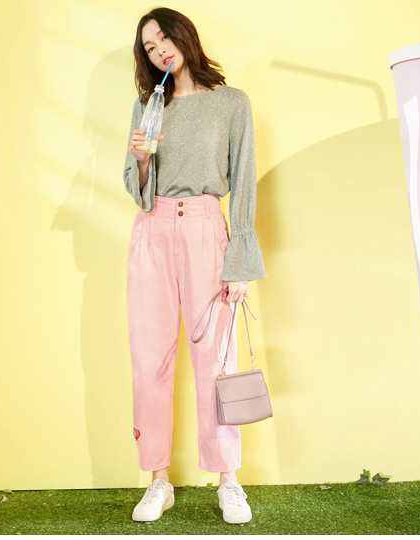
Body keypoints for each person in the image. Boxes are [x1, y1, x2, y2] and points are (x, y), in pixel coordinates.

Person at [123, 7, 266, 525]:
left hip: (207, 229)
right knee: (150, 359)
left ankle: (228, 480)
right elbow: (135, 187)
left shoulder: (231, 103)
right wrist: (142, 160)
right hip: (153, 230)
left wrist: (239, 261)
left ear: (184, 35)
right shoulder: (149, 105)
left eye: (164, 37)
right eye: (149, 46)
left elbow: (243, 182)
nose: (159, 49)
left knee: (217, 361)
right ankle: (157, 480)